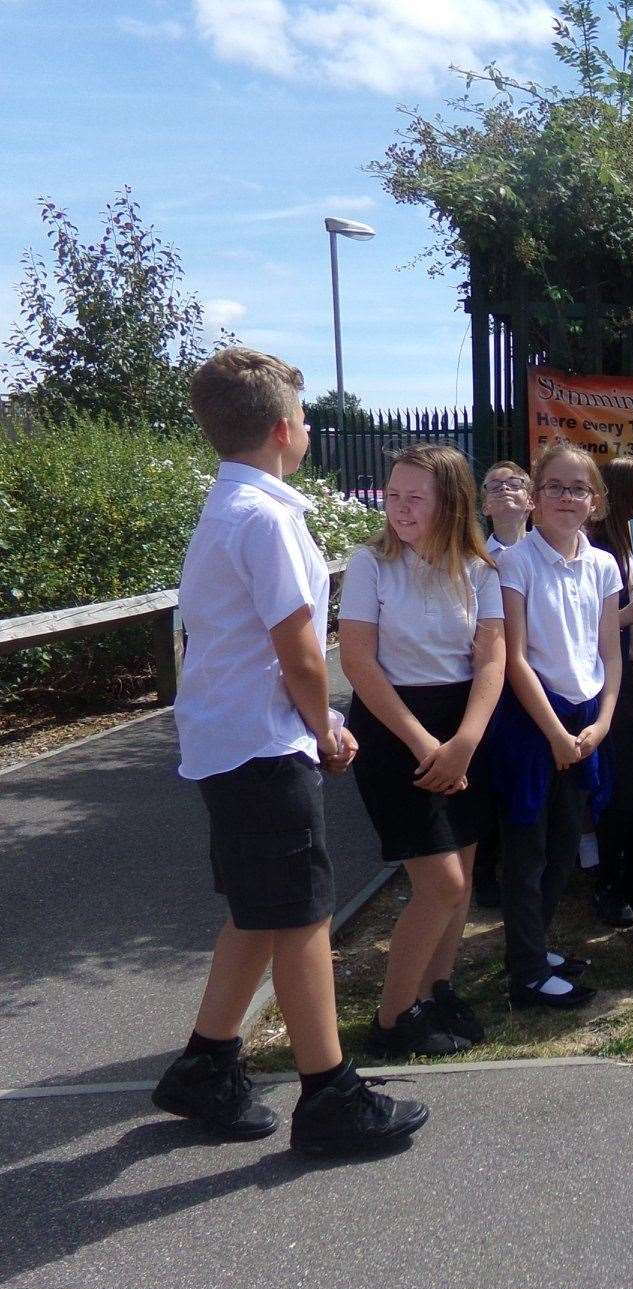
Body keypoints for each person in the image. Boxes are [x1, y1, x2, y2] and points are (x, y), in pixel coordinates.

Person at [152, 346, 426, 1156]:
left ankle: (205, 1065)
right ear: (282, 430)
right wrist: (326, 727)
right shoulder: (267, 519)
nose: (308, 428)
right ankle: (330, 1098)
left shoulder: (232, 506)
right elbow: (302, 651)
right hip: (262, 745)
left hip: (229, 739)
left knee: (257, 908)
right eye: (304, 417)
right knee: (303, 914)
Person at [339, 445, 504, 1058]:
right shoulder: (370, 565)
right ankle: (391, 1019)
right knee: (438, 882)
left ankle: (438, 990)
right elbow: (357, 660)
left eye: (415, 497)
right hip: (394, 732)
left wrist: (466, 740)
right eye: (394, 494)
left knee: (458, 885)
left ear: (450, 503)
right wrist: (424, 742)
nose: (399, 508)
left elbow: (491, 657)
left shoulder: (481, 571)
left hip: (463, 728)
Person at [491, 441, 622, 1008]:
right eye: (555, 487)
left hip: (585, 718)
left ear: (595, 501)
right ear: (535, 496)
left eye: (578, 489)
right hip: (531, 720)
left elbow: (610, 655)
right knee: (526, 849)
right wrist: (552, 733)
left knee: (566, 842)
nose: (567, 498)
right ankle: (524, 973)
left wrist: (602, 724)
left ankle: (533, 946)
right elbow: (515, 656)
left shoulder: (602, 564)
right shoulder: (514, 562)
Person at [587, 455, 633, 928]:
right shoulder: (602, 552)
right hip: (614, 679)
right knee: (623, 789)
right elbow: (596, 622)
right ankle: (613, 883)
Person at [471, 460, 531, 909]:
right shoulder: (475, 560)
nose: (505, 490)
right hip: (491, 686)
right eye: (495, 485)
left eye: (515, 484)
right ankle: (486, 872)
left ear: (530, 501)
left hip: (539, 681)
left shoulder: (553, 553)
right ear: (485, 505)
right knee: (489, 780)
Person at [481, 460, 531, 554]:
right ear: (485, 508)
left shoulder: (549, 553)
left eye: (514, 483)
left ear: (530, 503)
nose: (504, 487)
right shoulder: (478, 561)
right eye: (494, 486)